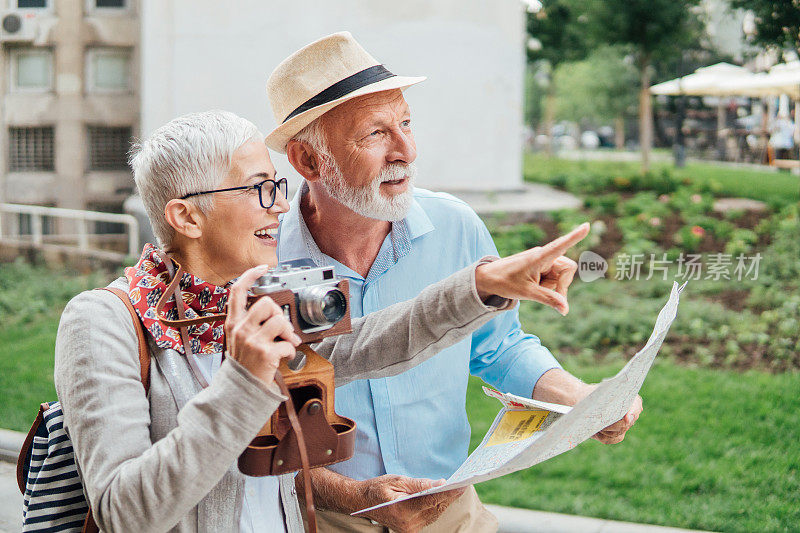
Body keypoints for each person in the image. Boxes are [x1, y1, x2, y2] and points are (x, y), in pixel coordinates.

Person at [54, 110, 591, 532]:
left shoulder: (252, 302)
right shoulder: (103, 322)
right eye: (257, 188)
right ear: (187, 216)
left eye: (276, 186)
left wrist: (482, 285)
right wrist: (244, 382)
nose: (279, 207)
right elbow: (124, 512)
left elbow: (374, 342)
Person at [267, 32, 643, 532]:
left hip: (447, 508)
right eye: (375, 134)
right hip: (324, 515)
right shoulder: (264, 263)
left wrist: (580, 397)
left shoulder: (455, 227)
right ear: (308, 161)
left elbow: (499, 347)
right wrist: (354, 497)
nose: (406, 149)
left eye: (405, 123)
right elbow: (254, 428)